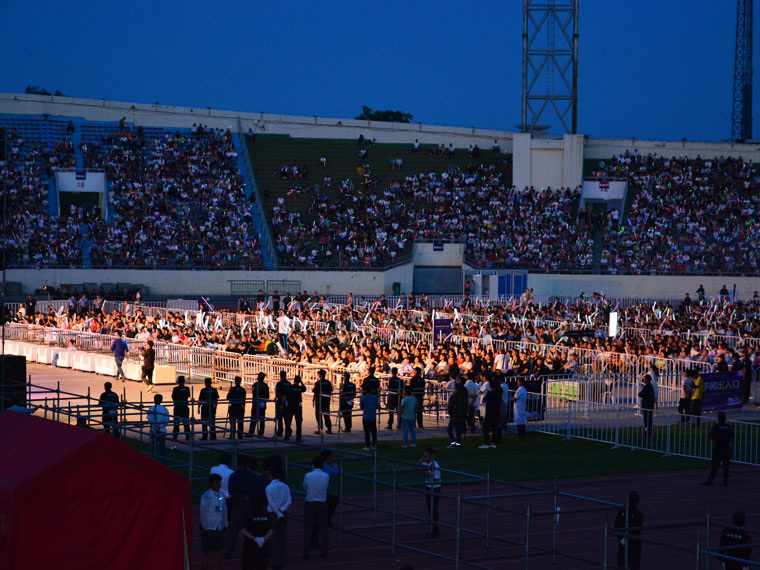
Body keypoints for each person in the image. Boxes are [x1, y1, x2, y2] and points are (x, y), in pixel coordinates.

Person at [302, 455, 330, 560]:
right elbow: (326, 489)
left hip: (310, 503)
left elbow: (304, 486)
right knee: (324, 530)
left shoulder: (308, 475)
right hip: (322, 504)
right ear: (322, 465)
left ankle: (306, 553)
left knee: (308, 529)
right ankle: (324, 552)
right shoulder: (326, 476)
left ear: (313, 464)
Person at [265, 461, 291, 570]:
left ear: (270, 476)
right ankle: (281, 561)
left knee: (274, 539)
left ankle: (276, 563)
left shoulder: (269, 488)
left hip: (273, 514)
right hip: (283, 513)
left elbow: (271, 502)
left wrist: (278, 513)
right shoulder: (285, 486)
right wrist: (282, 511)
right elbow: (289, 501)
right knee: (282, 538)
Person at [200, 473, 228, 570]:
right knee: (206, 552)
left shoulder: (222, 496)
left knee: (223, 550)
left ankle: (215, 567)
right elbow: (203, 513)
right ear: (211, 484)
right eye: (216, 483)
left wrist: (225, 525)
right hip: (209, 528)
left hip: (219, 527)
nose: (219, 485)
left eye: (219, 482)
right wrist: (205, 527)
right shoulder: (206, 496)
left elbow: (224, 510)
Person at [614, 490, 643, 570]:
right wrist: (622, 540)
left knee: (634, 566)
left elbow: (636, 531)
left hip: (633, 544)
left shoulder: (638, 515)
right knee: (621, 565)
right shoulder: (622, 512)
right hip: (624, 543)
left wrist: (624, 540)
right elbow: (617, 527)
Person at [704, 411, 734, 486]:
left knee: (715, 465)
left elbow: (711, 436)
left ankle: (711, 480)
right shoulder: (728, 427)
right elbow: (732, 436)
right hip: (726, 448)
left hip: (718, 448)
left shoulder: (716, 427)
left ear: (718, 419)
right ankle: (725, 481)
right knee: (726, 465)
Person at [241, 504, 273, 570]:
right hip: (263, 545)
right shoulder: (266, 514)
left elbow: (244, 531)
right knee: (262, 565)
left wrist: (255, 539)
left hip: (249, 545)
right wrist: (263, 539)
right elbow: (271, 529)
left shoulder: (247, 515)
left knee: (248, 565)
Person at [420, 448, 441, 539]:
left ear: (431, 456)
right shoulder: (426, 463)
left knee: (433, 510)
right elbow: (419, 465)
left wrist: (427, 474)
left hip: (434, 489)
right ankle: (433, 530)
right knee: (430, 510)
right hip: (428, 488)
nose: (424, 458)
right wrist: (421, 460)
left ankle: (435, 532)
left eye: (425, 456)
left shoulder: (434, 466)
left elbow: (436, 480)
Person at [147, 393, 170, 463]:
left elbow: (149, 419)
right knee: (162, 448)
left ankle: (152, 461)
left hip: (153, 430)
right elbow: (167, 420)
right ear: (161, 400)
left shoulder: (151, 408)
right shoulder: (165, 409)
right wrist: (160, 427)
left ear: (154, 400)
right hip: (162, 430)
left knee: (153, 447)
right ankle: (163, 462)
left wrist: (155, 427)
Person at [480, 378, 502, 449]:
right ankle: (494, 442)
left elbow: (484, 400)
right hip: (496, 412)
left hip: (489, 412)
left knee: (485, 428)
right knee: (494, 428)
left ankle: (486, 443)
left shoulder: (490, 393)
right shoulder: (498, 393)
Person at [446, 384, 468, 448]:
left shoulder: (453, 396)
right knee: (458, 430)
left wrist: (450, 414)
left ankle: (453, 442)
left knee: (449, 429)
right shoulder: (464, 397)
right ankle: (458, 443)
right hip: (461, 416)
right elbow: (466, 407)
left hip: (454, 416)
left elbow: (450, 406)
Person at [284, 374, 305, 441]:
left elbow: (285, 396)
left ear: (294, 380)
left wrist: (282, 405)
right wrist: (301, 382)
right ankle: (298, 437)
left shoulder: (290, 387)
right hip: (298, 407)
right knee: (298, 423)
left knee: (288, 422)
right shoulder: (300, 388)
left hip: (290, 406)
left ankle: (287, 436)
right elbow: (304, 388)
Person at [171, 375, 191, 440]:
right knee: (186, 422)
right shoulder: (187, 388)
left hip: (177, 407)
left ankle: (175, 435)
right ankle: (187, 435)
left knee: (176, 422)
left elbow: (173, 397)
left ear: (178, 381)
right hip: (185, 407)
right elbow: (188, 396)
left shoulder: (175, 389)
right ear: (184, 381)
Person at [313, 369, 333, 435]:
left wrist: (313, 399)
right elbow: (331, 390)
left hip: (320, 401)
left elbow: (315, 392)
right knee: (326, 415)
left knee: (319, 415)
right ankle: (329, 428)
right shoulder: (328, 382)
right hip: (326, 401)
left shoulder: (318, 382)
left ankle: (320, 429)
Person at [249, 372, 269, 438]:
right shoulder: (266, 386)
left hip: (256, 403)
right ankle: (261, 433)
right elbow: (267, 396)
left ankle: (251, 432)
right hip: (263, 403)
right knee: (262, 418)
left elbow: (253, 392)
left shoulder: (255, 384)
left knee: (254, 417)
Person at [227, 376, 247, 440]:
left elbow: (228, 397)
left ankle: (232, 435)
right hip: (240, 407)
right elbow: (244, 399)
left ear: (235, 381)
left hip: (233, 406)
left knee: (232, 422)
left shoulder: (232, 389)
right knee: (240, 422)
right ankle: (240, 435)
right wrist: (244, 407)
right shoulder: (243, 390)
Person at [274, 371, 291, 437]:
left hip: (281, 402)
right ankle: (288, 430)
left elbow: (278, 393)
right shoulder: (289, 383)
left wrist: (281, 401)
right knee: (287, 418)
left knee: (280, 417)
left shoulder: (279, 383)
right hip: (288, 402)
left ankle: (280, 431)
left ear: (280, 376)